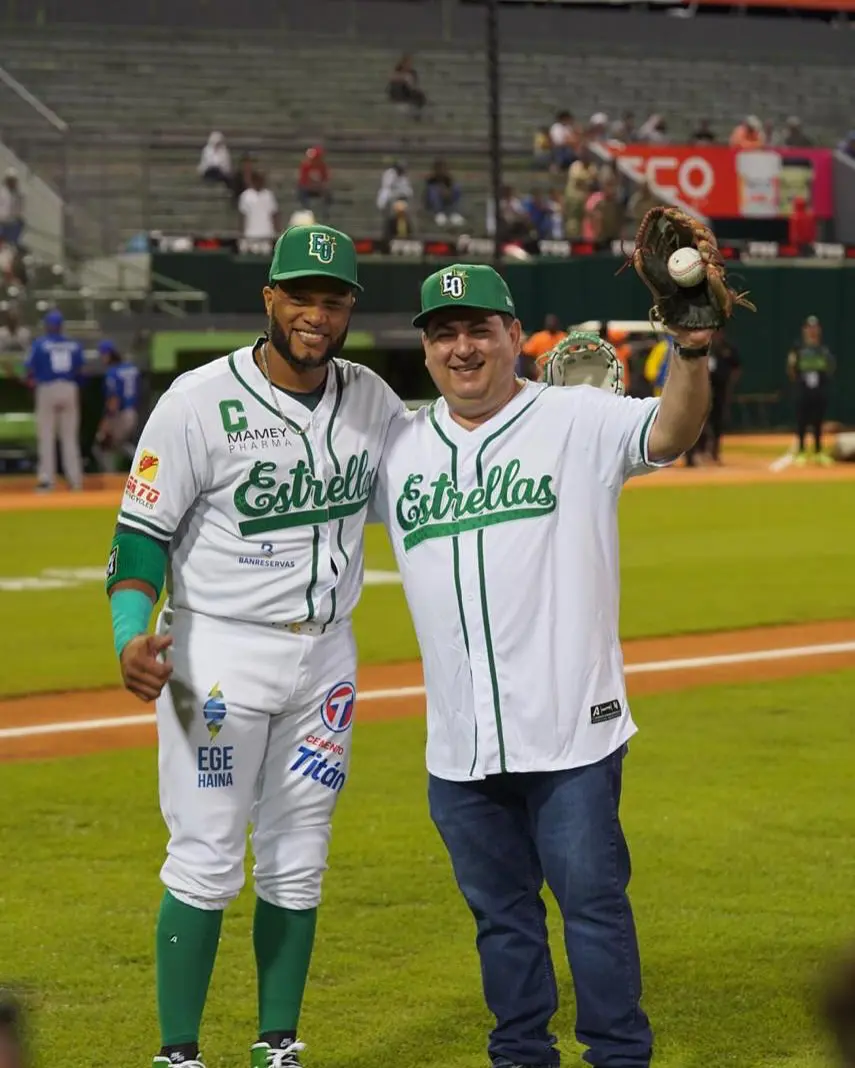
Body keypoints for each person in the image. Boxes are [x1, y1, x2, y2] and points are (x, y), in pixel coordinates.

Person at [369, 263, 712, 1068]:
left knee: (592, 908)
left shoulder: (576, 418)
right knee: (501, 919)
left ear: (513, 337)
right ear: (424, 352)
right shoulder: (399, 450)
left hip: (572, 736)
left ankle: (617, 1057)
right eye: (443, 334)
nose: (462, 347)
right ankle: (520, 1056)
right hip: (458, 747)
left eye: (478, 330)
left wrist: (690, 352)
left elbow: (669, 433)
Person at [104, 224, 402, 1068]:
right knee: (205, 851)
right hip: (219, 656)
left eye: (333, 300)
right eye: (300, 296)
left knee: (299, 854)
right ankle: (178, 1054)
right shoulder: (196, 401)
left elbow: (434, 479)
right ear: (269, 297)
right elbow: (139, 536)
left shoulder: (372, 398)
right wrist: (132, 634)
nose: (316, 314)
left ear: (349, 310)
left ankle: (278, 1041)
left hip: (327, 656)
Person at [24, 309, 84, 492]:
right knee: (69, 438)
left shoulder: (40, 344)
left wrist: (28, 380)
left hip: (47, 388)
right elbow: (81, 371)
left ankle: (47, 480)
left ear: (48, 326)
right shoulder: (73, 344)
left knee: (46, 436)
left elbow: (29, 369)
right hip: (69, 388)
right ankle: (75, 480)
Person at [685, 329, 741, 466]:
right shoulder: (698, 347)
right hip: (700, 390)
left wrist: (730, 383)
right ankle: (696, 454)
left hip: (720, 390)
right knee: (698, 422)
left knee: (718, 422)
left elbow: (737, 366)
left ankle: (714, 453)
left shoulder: (727, 347)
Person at [787, 315, 835, 465]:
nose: (812, 331)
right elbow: (791, 368)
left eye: (815, 328)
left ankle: (818, 451)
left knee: (818, 421)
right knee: (801, 420)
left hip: (819, 389)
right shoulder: (798, 348)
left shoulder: (823, 349)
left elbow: (831, 367)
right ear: (804, 330)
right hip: (803, 388)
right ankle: (801, 451)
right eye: (809, 328)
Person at [91, 340, 141, 472]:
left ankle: (112, 476)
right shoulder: (131, 368)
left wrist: (105, 424)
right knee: (119, 445)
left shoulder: (113, 372)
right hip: (133, 412)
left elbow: (113, 401)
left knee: (102, 447)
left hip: (121, 415)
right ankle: (143, 465)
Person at [517, 313, 566, 380]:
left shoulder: (563, 337)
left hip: (562, 370)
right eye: (549, 322)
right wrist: (534, 369)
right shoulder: (538, 337)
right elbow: (526, 353)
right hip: (542, 372)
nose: (551, 324)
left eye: (553, 322)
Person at [238, 171, 280, 241]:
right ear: (253, 180)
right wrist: (241, 233)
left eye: (262, 180)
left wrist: (277, 231)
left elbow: (274, 214)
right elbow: (242, 215)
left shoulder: (269, 195)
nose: (260, 182)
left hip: (267, 234)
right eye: (258, 180)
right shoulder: (245, 195)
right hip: (250, 234)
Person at [424, 159, 464, 227]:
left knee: (456, 187)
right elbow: (429, 194)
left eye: (443, 168)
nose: (441, 170)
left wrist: (448, 191)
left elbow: (451, 189)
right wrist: (440, 190)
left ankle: (454, 214)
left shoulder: (448, 179)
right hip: (435, 205)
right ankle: (439, 214)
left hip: (447, 201)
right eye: (439, 168)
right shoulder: (431, 179)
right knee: (433, 190)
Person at [387, 54, 426, 118]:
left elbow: (413, 85)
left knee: (419, 95)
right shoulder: (397, 71)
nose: (409, 65)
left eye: (410, 63)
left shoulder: (412, 73)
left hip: (408, 96)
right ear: (403, 63)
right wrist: (404, 77)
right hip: (398, 97)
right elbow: (391, 77)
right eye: (407, 63)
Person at [296, 147, 332, 217]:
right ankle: (306, 211)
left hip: (318, 189)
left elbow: (326, 180)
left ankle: (326, 213)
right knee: (301, 191)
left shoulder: (322, 167)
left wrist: (321, 187)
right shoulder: (305, 166)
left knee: (328, 194)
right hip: (307, 189)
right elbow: (303, 182)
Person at [0, 169, 24, 248]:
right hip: (2, 222)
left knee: (11, 245)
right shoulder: (2, 192)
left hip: (13, 223)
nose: (11, 183)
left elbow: (20, 208)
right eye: (10, 180)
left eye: (13, 180)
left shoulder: (19, 194)